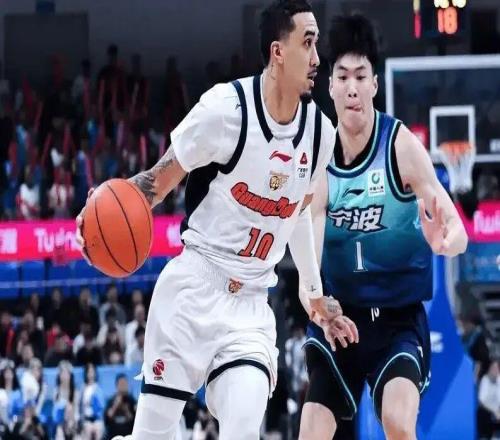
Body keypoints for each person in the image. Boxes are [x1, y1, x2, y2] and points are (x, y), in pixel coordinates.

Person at [77, 1, 357, 438]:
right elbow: (156, 183)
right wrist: (98, 209)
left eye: (317, 43)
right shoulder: (225, 110)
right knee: (153, 433)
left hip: (250, 307)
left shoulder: (319, 133)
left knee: (242, 427)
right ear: (277, 51)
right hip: (193, 290)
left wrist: (314, 292)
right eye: (307, 43)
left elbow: (298, 210)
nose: (317, 58)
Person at [298, 14, 468, 440]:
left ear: (375, 84)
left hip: (397, 321)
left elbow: (458, 230)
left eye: (361, 76)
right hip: (340, 318)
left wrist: (445, 242)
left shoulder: (400, 146)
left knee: (397, 421)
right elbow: (307, 268)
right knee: (311, 431)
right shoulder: (317, 159)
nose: (352, 87)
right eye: (343, 77)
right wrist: (318, 307)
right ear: (330, 86)